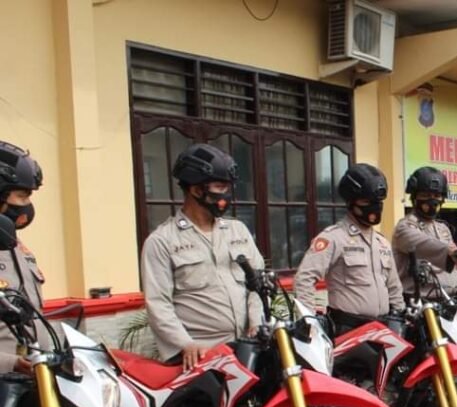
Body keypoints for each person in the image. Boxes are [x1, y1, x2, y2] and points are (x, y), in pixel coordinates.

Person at [141, 143, 264, 369]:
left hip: (247, 349)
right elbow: (158, 305)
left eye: (228, 187)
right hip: (200, 358)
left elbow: (257, 285)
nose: (227, 195)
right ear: (196, 190)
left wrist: (256, 322)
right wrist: (185, 344)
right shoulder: (162, 241)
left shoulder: (238, 231)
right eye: (220, 187)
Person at [293, 163, 403, 331]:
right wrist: (309, 322)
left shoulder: (382, 243)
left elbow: (394, 288)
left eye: (378, 201)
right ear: (351, 202)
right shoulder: (334, 238)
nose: (374, 206)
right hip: (349, 330)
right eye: (367, 201)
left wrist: (400, 317)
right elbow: (304, 279)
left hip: (382, 328)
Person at [0, 141, 47, 374]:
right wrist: (10, 363)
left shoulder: (17, 248)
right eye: (22, 196)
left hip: (32, 376)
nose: (27, 206)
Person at [391, 166, 457, 299]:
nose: (432, 200)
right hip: (421, 305)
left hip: (450, 302)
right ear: (415, 198)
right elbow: (423, 244)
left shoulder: (443, 229)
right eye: (425, 195)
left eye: (436, 196)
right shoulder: (405, 227)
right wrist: (450, 251)